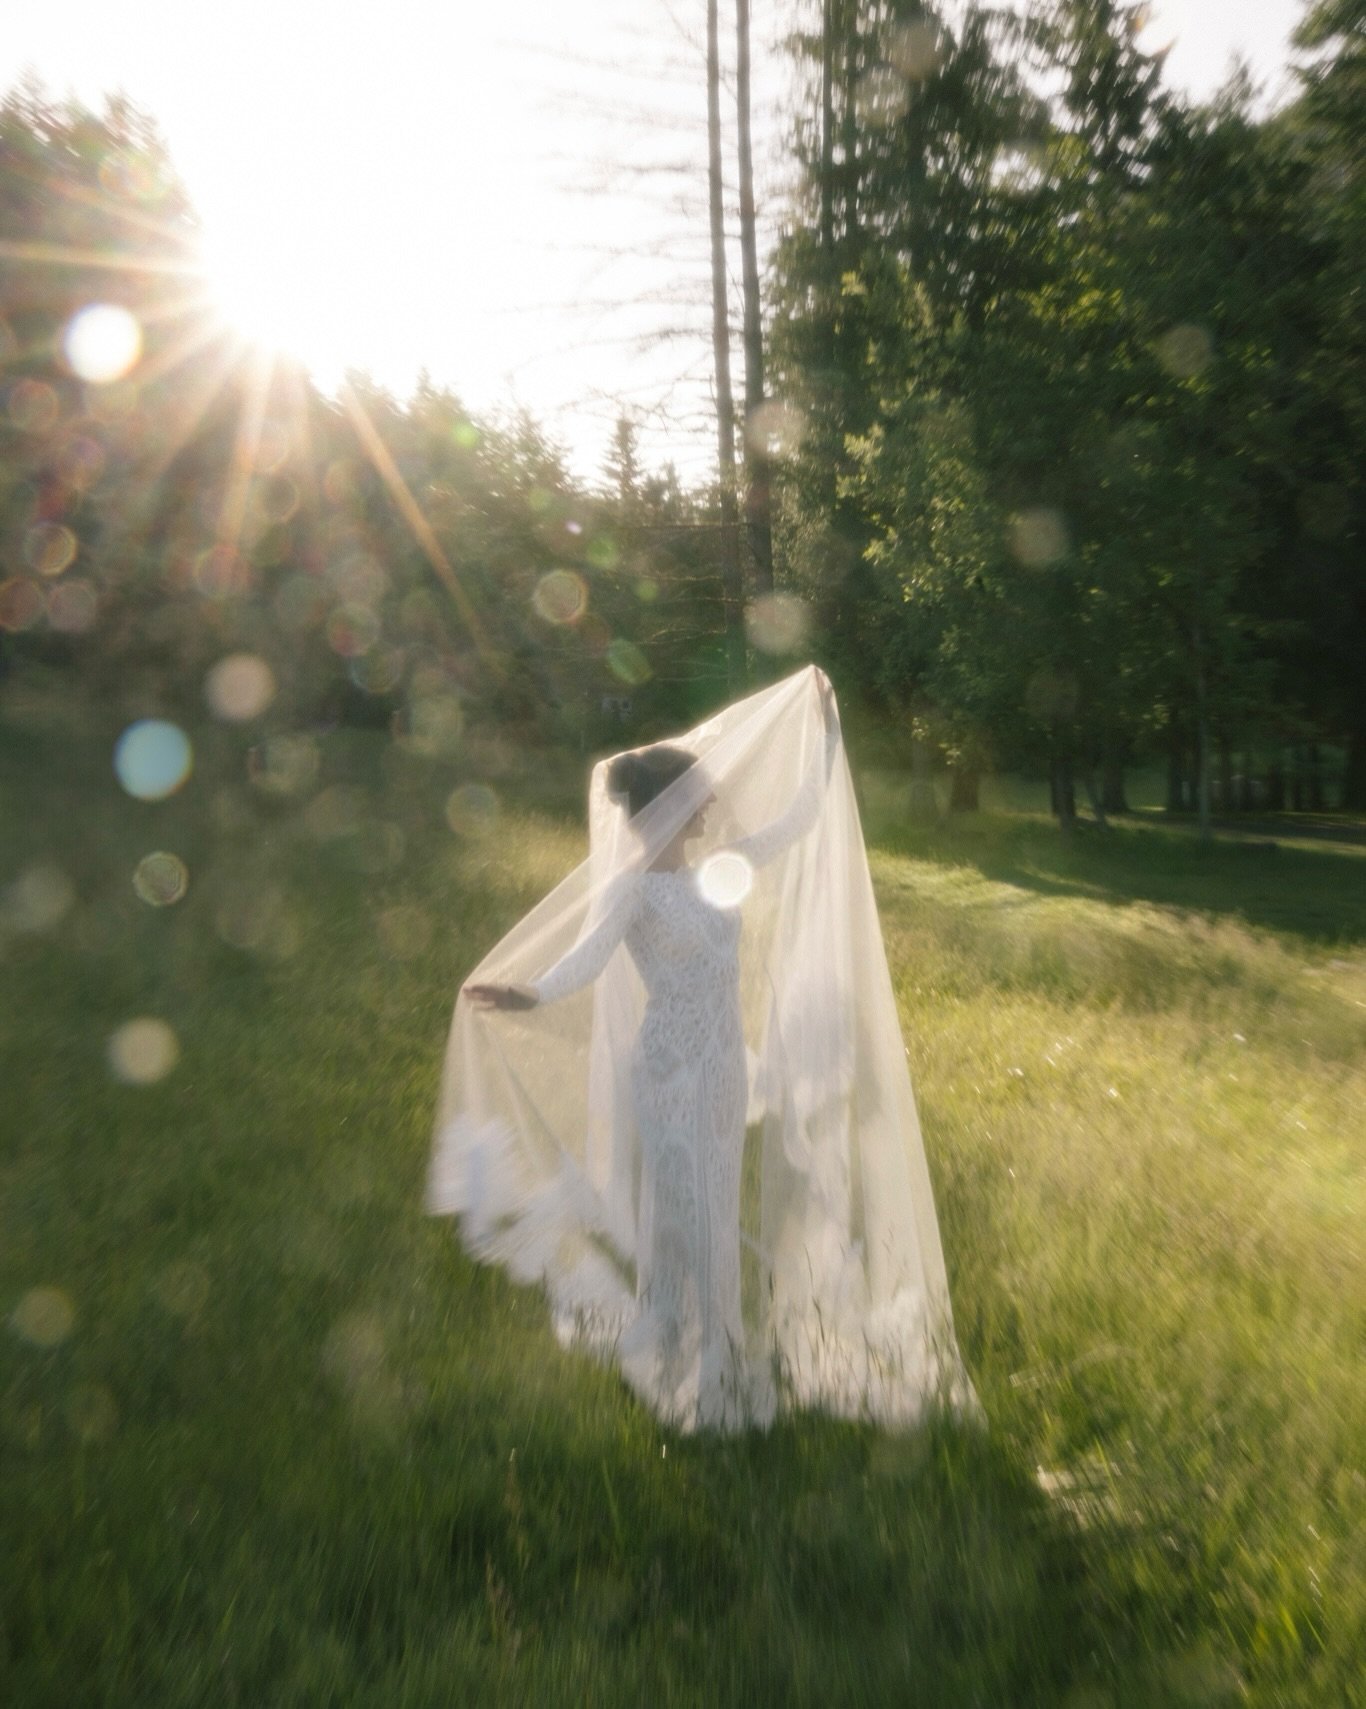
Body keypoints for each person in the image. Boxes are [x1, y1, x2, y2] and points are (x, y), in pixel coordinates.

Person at [429, 665, 978, 1434]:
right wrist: (528, 992)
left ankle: (696, 1344)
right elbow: (585, 960)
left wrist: (824, 734)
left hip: (722, 1066)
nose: (711, 803)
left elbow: (799, 817)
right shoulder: (629, 889)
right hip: (667, 1069)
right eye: (697, 795)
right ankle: (706, 1365)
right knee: (689, 1214)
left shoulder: (722, 868)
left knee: (710, 1205)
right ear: (668, 806)